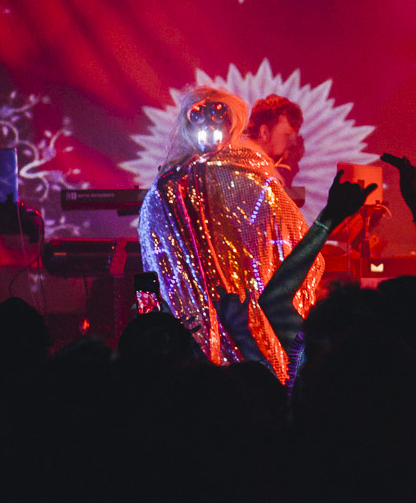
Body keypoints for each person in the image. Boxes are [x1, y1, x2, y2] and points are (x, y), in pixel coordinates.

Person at [138, 86, 323, 382]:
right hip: (238, 346)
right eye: (200, 117)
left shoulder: (252, 182)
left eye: (217, 118)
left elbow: (148, 274)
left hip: (194, 352)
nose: (208, 127)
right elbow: (299, 253)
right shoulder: (166, 191)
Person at [246, 94, 304, 187]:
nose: (294, 142)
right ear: (264, 132)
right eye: (287, 135)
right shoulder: (268, 178)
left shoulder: (232, 156)